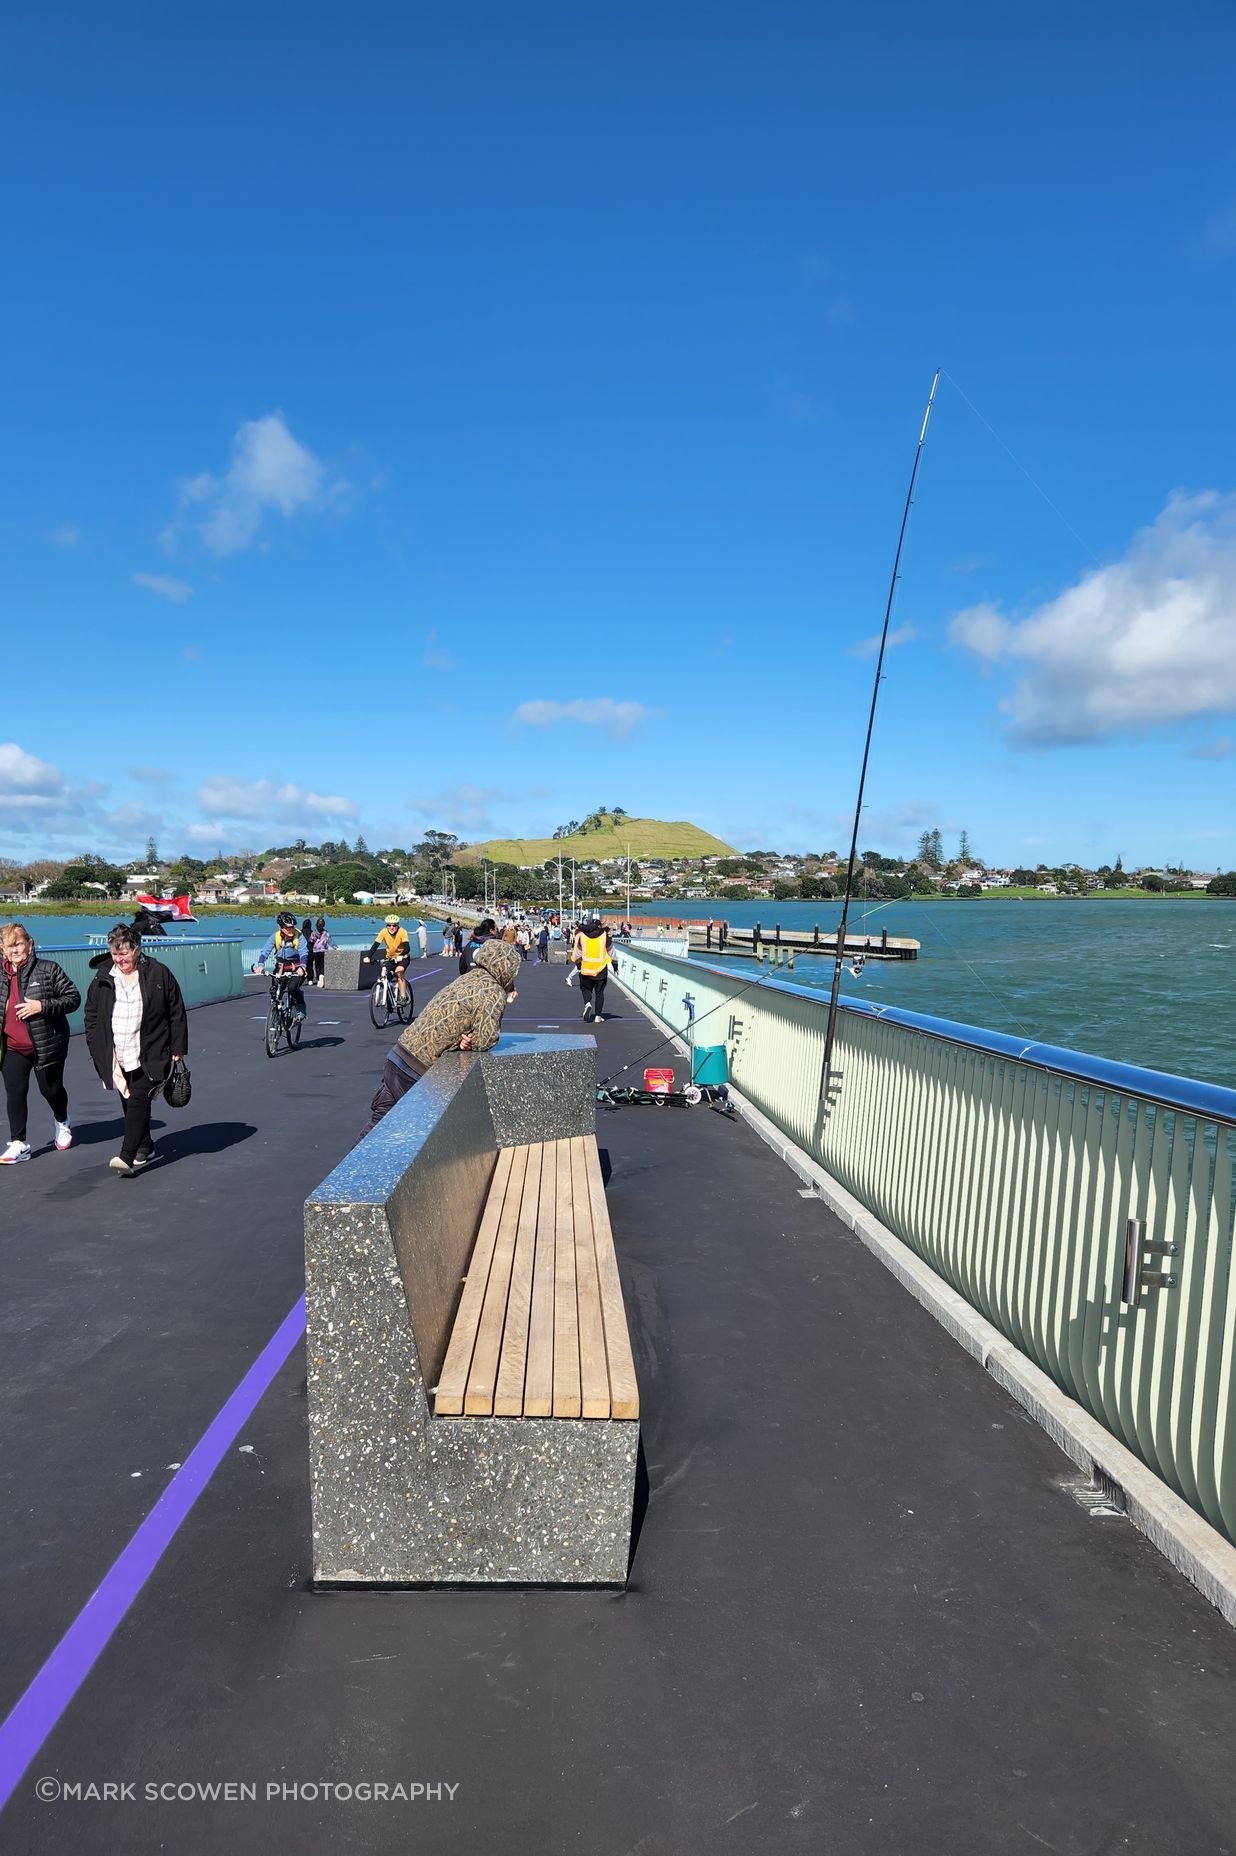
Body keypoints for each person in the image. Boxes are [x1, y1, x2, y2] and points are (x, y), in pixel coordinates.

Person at [358, 940, 521, 1139]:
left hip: (398, 1055)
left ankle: (352, 1168)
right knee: (421, 1138)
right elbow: (485, 1039)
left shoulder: (466, 978)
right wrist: (470, 1041)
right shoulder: (493, 992)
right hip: (418, 1069)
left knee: (375, 1129)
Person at [84, 922, 188, 1177]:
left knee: (139, 1097)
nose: (119, 959)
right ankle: (145, 1145)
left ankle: (126, 1155)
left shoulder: (158, 973)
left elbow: (176, 1010)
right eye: (114, 953)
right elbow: (92, 1013)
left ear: (137, 950)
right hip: (116, 1049)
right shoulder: (103, 976)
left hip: (150, 1047)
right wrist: (94, 1041)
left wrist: (178, 1047)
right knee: (127, 1098)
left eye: (124, 953)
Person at [1, 922, 81, 1163]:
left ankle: (62, 1121)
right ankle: (19, 1143)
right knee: (15, 1093)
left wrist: (42, 1006)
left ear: (30, 944)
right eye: (9, 945)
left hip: (46, 1045)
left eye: (19, 943)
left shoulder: (48, 969)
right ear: (2, 949)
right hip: (12, 1046)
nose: (14, 950)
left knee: (51, 1089)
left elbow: (73, 998)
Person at [255, 912, 309, 1021]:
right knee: (275, 992)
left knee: (292, 988)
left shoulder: (299, 936)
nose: (291, 929)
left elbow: (304, 952)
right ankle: (276, 1015)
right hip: (281, 968)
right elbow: (265, 951)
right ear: (280, 927)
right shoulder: (275, 937)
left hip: (296, 968)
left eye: (292, 927)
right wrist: (260, 965)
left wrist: (302, 967)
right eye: (287, 927)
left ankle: (301, 1008)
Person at [571, 915, 617, 1023]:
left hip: (586, 968)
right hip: (600, 969)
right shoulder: (604, 935)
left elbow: (577, 954)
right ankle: (598, 1016)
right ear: (599, 926)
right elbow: (612, 952)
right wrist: (615, 966)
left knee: (585, 989)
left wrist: (578, 966)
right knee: (599, 992)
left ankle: (587, 1003)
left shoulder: (582, 936)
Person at [367, 913, 412, 1005]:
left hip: (403, 957)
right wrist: (368, 956)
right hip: (391, 958)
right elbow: (375, 945)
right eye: (389, 925)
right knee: (386, 976)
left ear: (397, 926)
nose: (391, 927)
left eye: (394, 925)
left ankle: (403, 997)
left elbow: (407, 947)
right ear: (386, 926)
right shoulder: (383, 932)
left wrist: (401, 955)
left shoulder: (402, 931)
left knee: (399, 972)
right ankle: (390, 994)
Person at [309, 917, 331, 988]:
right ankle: (322, 976)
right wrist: (336, 948)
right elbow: (329, 941)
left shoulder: (314, 932)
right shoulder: (326, 932)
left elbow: (311, 941)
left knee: (317, 965)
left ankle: (319, 978)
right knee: (323, 965)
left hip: (315, 950)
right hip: (323, 950)